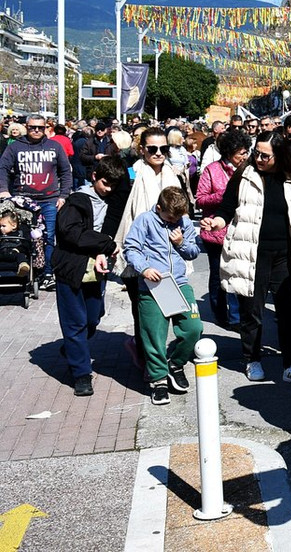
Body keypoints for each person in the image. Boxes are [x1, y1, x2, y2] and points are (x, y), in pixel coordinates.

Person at [202, 131, 291, 385]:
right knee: (252, 310)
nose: (259, 158)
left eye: (265, 155)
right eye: (257, 153)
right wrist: (216, 222)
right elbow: (226, 209)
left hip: (286, 254)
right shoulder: (244, 176)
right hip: (252, 253)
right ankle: (252, 359)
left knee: (288, 310)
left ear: (280, 155)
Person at [122, 187, 202, 407]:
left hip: (179, 282)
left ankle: (175, 363)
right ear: (159, 208)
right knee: (154, 335)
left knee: (193, 328)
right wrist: (144, 268)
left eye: (179, 217)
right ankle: (158, 380)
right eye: (170, 217)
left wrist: (181, 243)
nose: (175, 220)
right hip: (152, 284)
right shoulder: (146, 220)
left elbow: (194, 251)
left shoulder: (183, 222)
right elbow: (131, 248)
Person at [53, 157, 126, 397]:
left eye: (113, 185)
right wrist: (106, 243)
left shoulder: (111, 199)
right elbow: (71, 233)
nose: (109, 189)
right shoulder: (77, 202)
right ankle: (81, 374)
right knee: (75, 323)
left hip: (95, 271)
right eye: (106, 183)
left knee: (93, 318)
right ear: (94, 177)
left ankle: (74, 350)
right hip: (71, 269)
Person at [0, 112, 72, 289]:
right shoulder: (15, 147)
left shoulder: (54, 146)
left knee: (48, 237)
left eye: (41, 127)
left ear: (46, 128)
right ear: (27, 127)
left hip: (49, 200)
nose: (37, 131)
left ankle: (47, 273)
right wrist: (3, 191)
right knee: (23, 236)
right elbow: (3, 167)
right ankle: (25, 269)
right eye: (33, 127)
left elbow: (65, 172)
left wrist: (63, 196)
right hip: (22, 201)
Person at [195, 130, 250, 328]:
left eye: (246, 152)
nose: (244, 157)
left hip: (241, 232)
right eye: (240, 153)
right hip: (216, 232)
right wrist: (223, 196)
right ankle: (220, 313)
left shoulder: (249, 170)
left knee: (238, 274)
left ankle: (237, 316)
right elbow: (200, 199)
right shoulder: (212, 170)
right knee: (218, 275)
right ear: (229, 152)